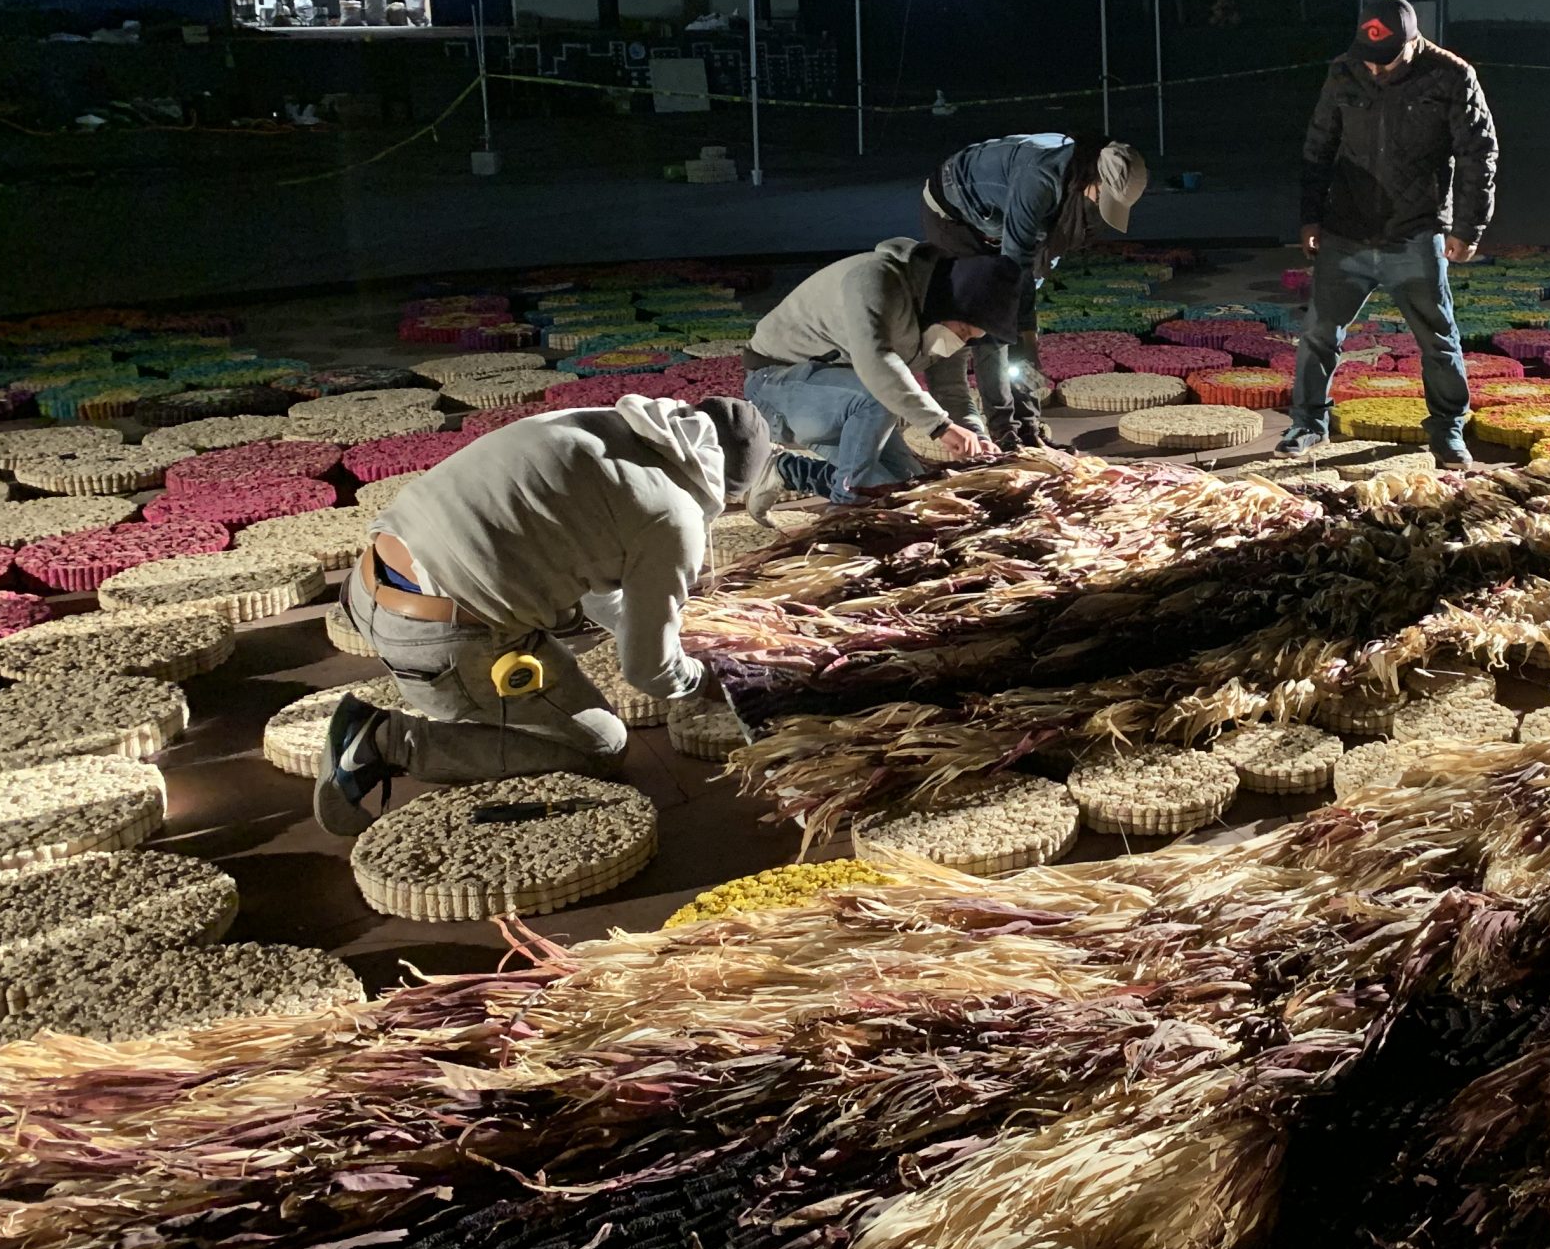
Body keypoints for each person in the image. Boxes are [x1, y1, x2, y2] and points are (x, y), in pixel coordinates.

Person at [317, 394, 773, 837]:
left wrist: (656, 626)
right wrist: (708, 680)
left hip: (366, 586)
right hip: (435, 638)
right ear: (726, 485)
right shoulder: (674, 516)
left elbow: (593, 569)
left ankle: (452, 697)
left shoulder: (597, 421)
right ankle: (385, 741)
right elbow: (648, 672)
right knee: (600, 746)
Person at [1280, 0, 1500, 465]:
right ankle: (1308, 423)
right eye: (1369, 57)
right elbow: (1318, 148)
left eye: (1387, 58)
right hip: (1347, 228)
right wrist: (1310, 217)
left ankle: (1448, 429)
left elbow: (1478, 155)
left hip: (1415, 231)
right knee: (1319, 333)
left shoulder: (1451, 75)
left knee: (1438, 338)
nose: (1376, 68)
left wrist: (1468, 227)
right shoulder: (1344, 71)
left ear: (1412, 41)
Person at [739, 238, 1023, 513]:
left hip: (846, 403)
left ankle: (785, 470)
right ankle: (844, 510)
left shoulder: (945, 324)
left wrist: (977, 438)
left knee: (907, 492)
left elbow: (951, 391)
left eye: (971, 338)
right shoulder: (875, 280)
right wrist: (940, 426)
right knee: (877, 400)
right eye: (963, 331)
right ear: (949, 303)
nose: (961, 341)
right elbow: (876, 363)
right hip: (776, 386)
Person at [922, 132, 1149, 447]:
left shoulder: (1072, 189)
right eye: (1102, 198)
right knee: (991, 325)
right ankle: (1003, 431)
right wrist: (1019, 327)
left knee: (1022, 331)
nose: (1099, 208)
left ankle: (1028, 426)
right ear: (1093, 180)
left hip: (999, 225)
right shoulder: (1039, 177)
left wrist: (1028, 333)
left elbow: (1039, 260)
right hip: (955, 215)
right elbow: (1012, 271)